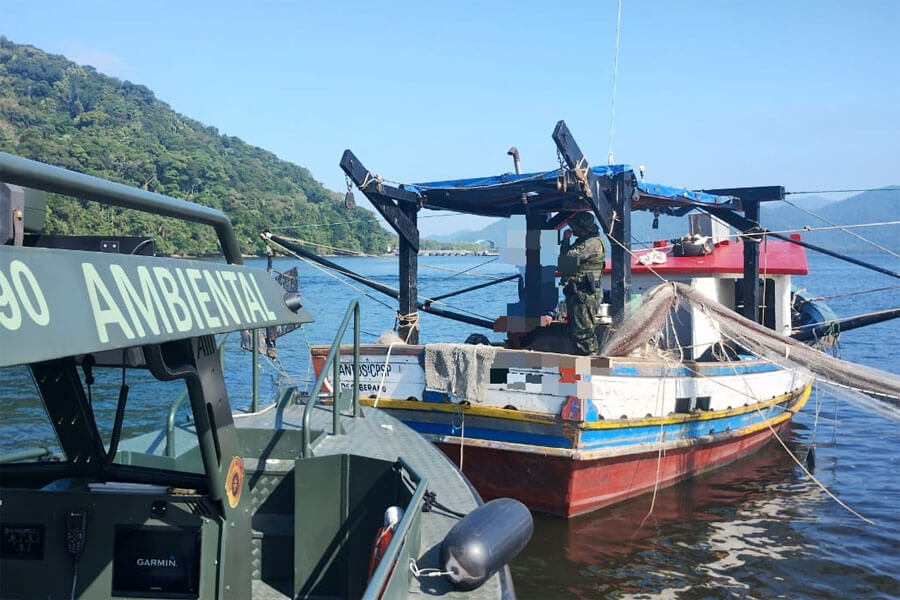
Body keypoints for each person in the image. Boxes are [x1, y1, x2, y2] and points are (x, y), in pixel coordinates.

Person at [558, 211, 606, 355]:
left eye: (576, 227)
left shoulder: (592, 243)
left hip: (585, 294)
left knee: (583, 332)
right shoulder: (583, 241)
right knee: (576, 330)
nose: (573, 230)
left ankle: (590, 361)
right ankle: (583, 361)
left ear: (584, 228)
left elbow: (566, 262)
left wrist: (565, 240)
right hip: (578, 292)